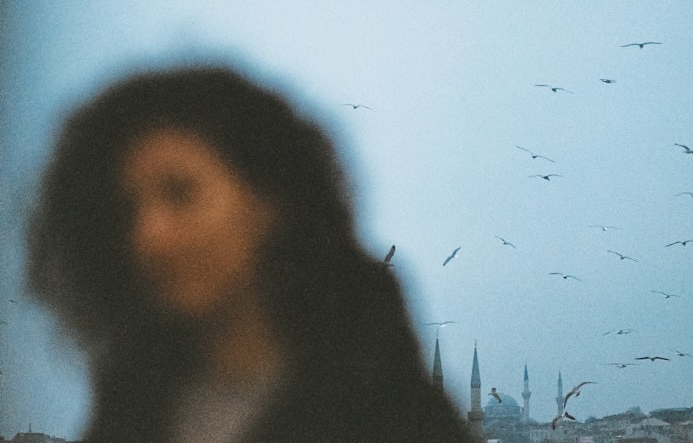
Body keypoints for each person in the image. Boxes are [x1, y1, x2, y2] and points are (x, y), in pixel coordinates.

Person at [27, 64, 476, 443]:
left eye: (180, 193)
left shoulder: (391, 416)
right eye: (127, 210)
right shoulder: (130, 407)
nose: (148, 236)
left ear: (269, 201)